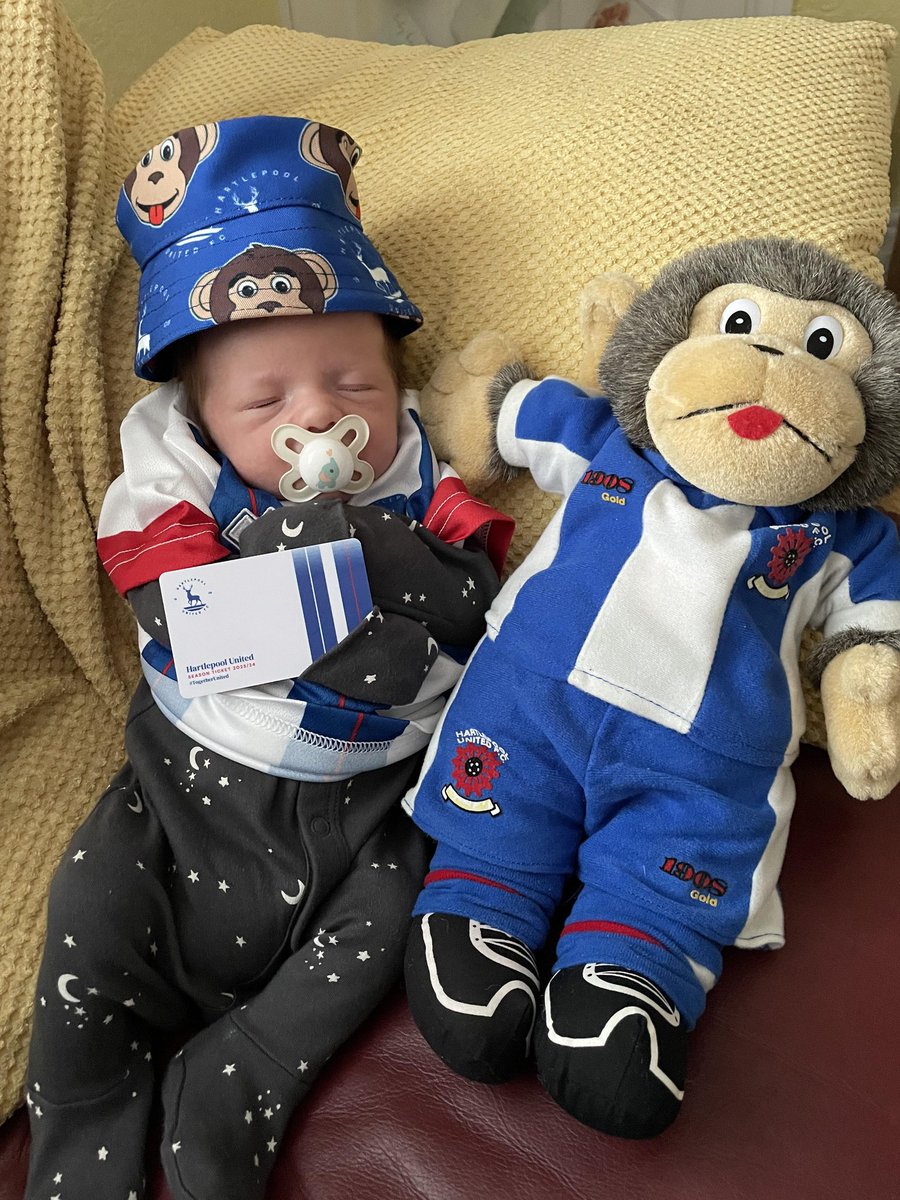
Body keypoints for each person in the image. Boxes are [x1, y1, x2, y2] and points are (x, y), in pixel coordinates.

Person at [24, 114, 512, 1200]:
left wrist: (383, 552)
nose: (321, 421)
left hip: (367, 809)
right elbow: (183, 615)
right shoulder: (170, 474)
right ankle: (83, 1143)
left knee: (396, 915)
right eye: (265, 400)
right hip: (185, 793)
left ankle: (238, 1080)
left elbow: (472, 595)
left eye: (356, 386)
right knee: (92, 913)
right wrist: (327, 570)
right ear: (198, 415)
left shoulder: (420, 469)